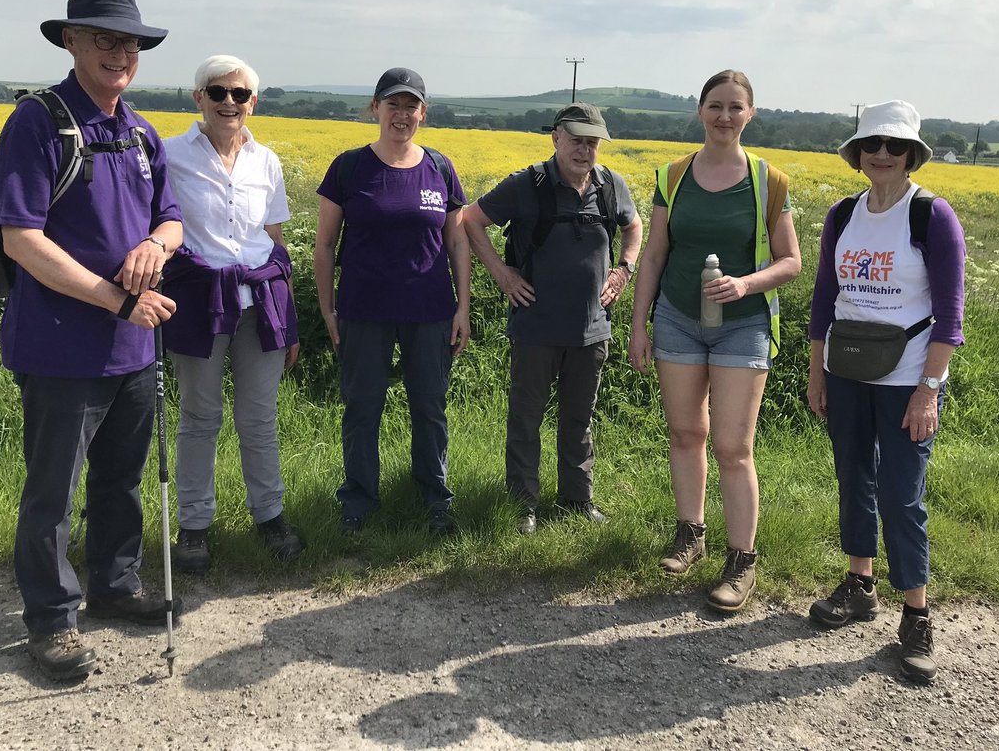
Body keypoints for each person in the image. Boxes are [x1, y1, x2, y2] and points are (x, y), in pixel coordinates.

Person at [0, 0, 183, 681]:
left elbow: (172, 216)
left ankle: (115, 584)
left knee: (121, 481)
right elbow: (20, 239)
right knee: (52, 492)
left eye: (130, 44)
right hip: (60, 346)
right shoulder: (39, 122)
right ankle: (50, 621)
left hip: (133, 348)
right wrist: (114, 299)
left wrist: (157, 247)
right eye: (105, 40)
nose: (121, 54)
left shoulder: (139, 131)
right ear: (70, 41)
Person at [805, 100, 965, 684]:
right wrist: (816, 370)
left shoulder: (931, 215)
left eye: (894, 146)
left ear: (911, 154)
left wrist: (929, 389)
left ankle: (917, 615)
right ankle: (859, 584)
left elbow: (950, 316)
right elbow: (826, 296)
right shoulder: (844, 213)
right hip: (846, 371)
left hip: (907, 381)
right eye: (871, 144)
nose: (881, 154)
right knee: (854, 477)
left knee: (902, 495)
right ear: (857, 152)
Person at [629, 70, 801, 613]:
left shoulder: (768, 180)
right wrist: (640, 323)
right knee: (685, 432)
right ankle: (691, 533)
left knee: (732, 446)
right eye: (715, 106)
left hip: (743, 322)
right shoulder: (673, 175)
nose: (724, 116)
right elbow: (653, 254)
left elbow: (792, 260)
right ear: (700, 111)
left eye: (735, 107)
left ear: (750, 114)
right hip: (679, 318)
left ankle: (742, 558)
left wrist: (746, 283)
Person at [461, 104, 643, 533]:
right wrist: (502, 275)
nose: (584, 149)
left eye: (592, 141)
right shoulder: (528, 184)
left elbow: (634, 228)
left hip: (591, 327)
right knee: (526, 416)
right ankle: (523, 503)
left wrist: (624, 269)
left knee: (580, 417)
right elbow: (471, 219)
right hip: (536, 326)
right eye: (576, 139)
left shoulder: (611, 185)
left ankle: (577, 500)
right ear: (556, 138)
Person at [160, 55, 303, 574]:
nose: (228, 102)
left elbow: (274, 240)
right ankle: (194, 528)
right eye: (216, 92)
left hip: (259, 304)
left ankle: (270, 517)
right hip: (198, 301)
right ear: (197, 97)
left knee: (259, 419)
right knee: (200, 417)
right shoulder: (170, 154)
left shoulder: (266, 161)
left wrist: (289, 320)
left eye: (239, 94)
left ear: (252, 103)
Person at [312, 67, 471, 536]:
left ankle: (435, 499)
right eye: (393, 104)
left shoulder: (439, 167)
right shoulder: (349, 167)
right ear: (375, 108)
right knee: (362, 407)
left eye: (411, 106)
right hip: (364, 311)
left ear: (423, 112)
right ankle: (358, 501)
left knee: (430, 406)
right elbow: (324, 244)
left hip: (430, 311)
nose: (402, 114)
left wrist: (463, 306)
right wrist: (327, 309)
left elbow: (458, 242)